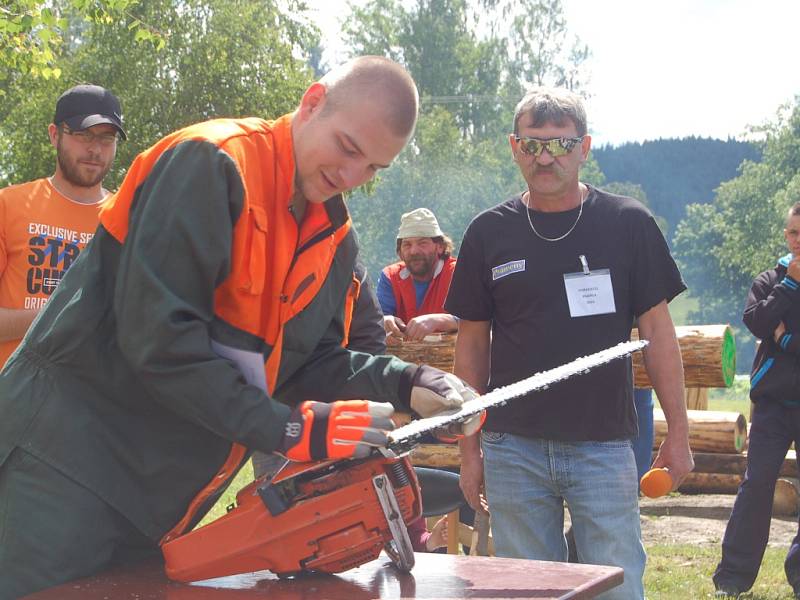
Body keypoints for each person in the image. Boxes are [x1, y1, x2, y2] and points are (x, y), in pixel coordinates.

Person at [0, 56, 482, 599]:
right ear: (313, 101)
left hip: (158, 499)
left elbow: (307, 361)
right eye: (348, 148)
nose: (351, 176)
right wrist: (292, 430)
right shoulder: (209, 164)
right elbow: (160, 343)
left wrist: (406, 384)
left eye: (373, 168)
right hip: (61, 466)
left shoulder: (332, 236)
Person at [446, 86, 693, 600]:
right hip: (511, 447)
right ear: (514, 147)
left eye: (560, 144)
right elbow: (470, 350)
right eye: (532, 144)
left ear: (585, 148)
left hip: (602, 445)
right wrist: (470, 449)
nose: (545, 157)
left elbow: (658, 336)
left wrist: (680, 433)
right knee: (527, 592)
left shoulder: (628, 224)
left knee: (616, 589)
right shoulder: (488, 233)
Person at [0, 84, 125, 368]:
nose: (94, 149)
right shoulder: (9, 206)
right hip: (12, 400)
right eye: (83, 135)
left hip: (92, 404)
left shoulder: (127, 221)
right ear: (55, 135)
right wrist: (60, 315)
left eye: (107, 138)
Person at [713, 202, 800, 599]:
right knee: (756, 486)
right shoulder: (770, 280)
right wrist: (790, 287)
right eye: (795, 233)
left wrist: (784, 339)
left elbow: (773, 330)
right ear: (785, 235)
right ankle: (732, 579)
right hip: (772, 404)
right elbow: (756, 321)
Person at [377, 207, 458, 343]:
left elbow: (482, 321)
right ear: (400, 252)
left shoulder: (457, 273)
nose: (414, 251)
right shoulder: (390, 277)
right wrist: (384, 321)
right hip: (403, 361)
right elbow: (373, 321)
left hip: (454, 361)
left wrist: (440, 321)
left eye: (422, 243)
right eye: (407, 245)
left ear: (440, 247)